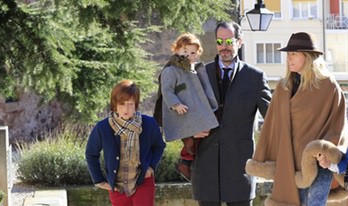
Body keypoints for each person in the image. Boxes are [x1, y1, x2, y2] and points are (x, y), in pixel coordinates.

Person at [245, 32, 348, 206]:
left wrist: (328, 154)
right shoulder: (283, 87)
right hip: (291, 163)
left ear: (308, 56)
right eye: (288, 54)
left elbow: (338, 125)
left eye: (293, 53)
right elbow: (273, 126)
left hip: (319, 163)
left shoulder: (328, 85)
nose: (289, 58)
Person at [190, 21, 272, 206]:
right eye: (220, 41)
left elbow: (274, 119)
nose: (224, 47)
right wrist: (190, 131)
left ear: (239, 42)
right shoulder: (199, 74)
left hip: (240, 171)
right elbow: (184, 114)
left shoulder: (255, 77)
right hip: (205, 169)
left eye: (229, 41)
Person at [85, 80, 166, 206]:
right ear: (115, 104)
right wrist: (99, 180)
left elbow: (159, 146)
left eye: (130, 104)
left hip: (143, 182)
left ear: (136, 104)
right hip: (118, 187)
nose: (126, 109)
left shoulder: (149, 124)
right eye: (122, 104)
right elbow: (91, 153)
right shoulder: (103, 127)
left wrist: (150, 167)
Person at [158, 32, 219, 181]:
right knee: (192, 137)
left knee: (201, 134)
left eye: (192, 53)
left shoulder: (194, 69)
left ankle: (188, 162)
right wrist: (175, 104)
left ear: (197, 54)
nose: (188, 55)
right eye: (184, 51)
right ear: (176, 50)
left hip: (195, 111)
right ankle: (185, 162)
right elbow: (166, 90)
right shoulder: (171, 70)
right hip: (182, 112)